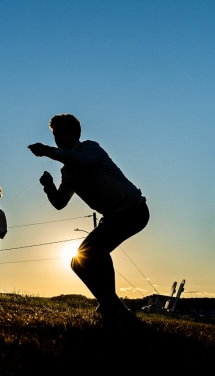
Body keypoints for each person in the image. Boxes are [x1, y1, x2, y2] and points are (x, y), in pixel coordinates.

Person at [28, 113, 149, 325]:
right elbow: (59, 202)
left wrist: (48, 152)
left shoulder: (89, 148)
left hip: (134, 210)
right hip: (115, 216)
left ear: (76, 132)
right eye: (55, 134)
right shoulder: (68, 171)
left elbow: (83, 161)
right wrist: (48, 187)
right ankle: (110, 305)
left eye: (62, 132)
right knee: (78, 262)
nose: (57, 137)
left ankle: (113, 307)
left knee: (96, 252)